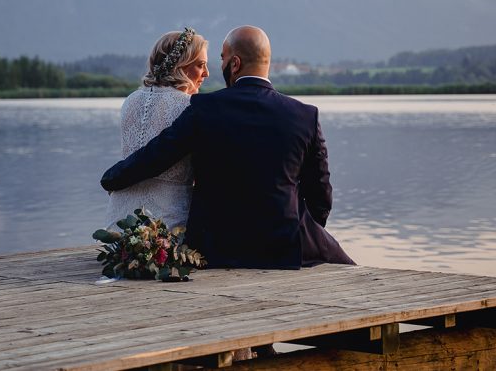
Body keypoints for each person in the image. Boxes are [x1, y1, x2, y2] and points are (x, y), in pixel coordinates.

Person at [101, 25, 354, 268]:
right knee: (348, 267)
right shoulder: (305, 115)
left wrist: (111, 178)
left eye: (222, 59)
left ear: (235, 64)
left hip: (215, 248)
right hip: (284, 245)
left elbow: (157, 155)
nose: (216, 69)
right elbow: (320, 191)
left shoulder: (204, 108)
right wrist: (307, 229)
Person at [103, 28, 209, 232]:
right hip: (167, 222)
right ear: (181, 65)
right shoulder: (190, 106)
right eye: (200, 65)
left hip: (119, 220)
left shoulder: (130, 101)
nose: (206, 73)